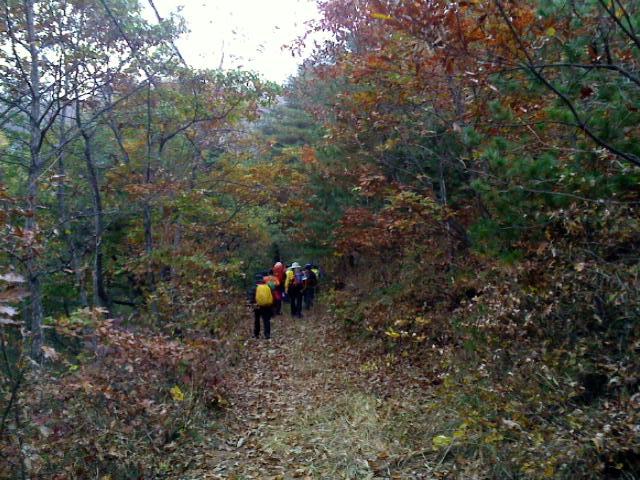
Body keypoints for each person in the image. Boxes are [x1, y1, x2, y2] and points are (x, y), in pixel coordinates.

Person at [251, 274, 274, 339]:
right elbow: (271, 296)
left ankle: (256, 334)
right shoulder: (267, 286)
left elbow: (252, 297)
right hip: (267, 306)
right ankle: (267, 334)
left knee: (257, 320)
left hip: (257, 306)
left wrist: (252, 304)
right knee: (266, 320)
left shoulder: (255, 287)